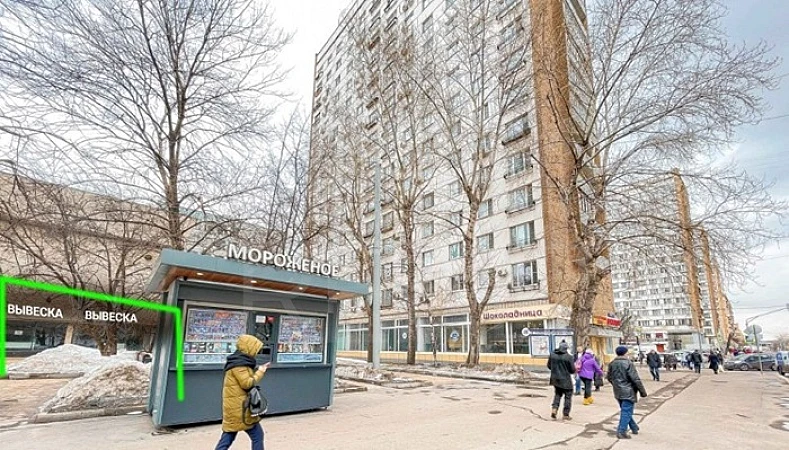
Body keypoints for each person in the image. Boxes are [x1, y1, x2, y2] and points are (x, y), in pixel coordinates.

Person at [215, 334, 269, 450]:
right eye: (255, 349)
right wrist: (260, 371)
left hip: (236, 407)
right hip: (240, 408)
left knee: (229, 435)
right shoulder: (239, 365)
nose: (256, 352)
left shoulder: (238, 361)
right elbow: (247, 383)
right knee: (257, 435)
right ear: (249, 348)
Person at [607, 346, 648, 440]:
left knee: (626, 410)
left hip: (618, 391)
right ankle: (621, 431)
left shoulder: (612, 363)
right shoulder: (628, 363)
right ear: (625, 353)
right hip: (628, 391)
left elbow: (609, 377)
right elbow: (635, 379)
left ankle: (634, 427)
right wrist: (642, 391)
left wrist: (616, 384)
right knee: (626, 411)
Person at [547, 341, 576, 420]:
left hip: (555, 379)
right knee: (568, 396)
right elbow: (572, 370)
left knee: (557, 394)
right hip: (565, 379)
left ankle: (554, 409)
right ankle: (566, 414)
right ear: (566, 348)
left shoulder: (552, 355)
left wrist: (555, 370)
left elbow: (549, 366)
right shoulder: (569, 357)